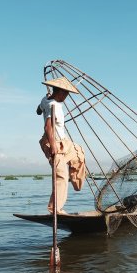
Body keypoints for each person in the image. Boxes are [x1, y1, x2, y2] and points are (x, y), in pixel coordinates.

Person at [37, 76, 85, 214]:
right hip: (53, 141)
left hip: (63, 141)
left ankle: (76, 182)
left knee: (79, 153)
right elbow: (48, 127)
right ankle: (55, 209)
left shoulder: (45, 100)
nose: (66, 97)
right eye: (65, 94)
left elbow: (38, 110)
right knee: (61, 176)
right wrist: (53, 147)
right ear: (60, 92)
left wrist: (42, 108)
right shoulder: (54, 105)